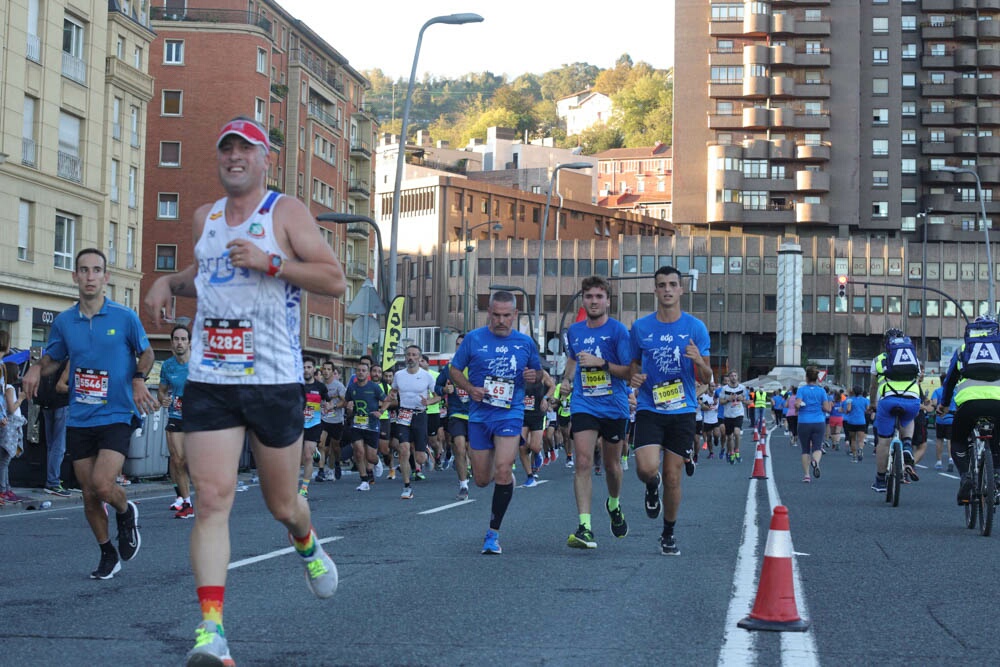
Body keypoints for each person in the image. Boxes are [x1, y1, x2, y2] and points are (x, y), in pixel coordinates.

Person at [143, 117, 345, 666]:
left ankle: (307, 544)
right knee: (211, 499)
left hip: (273, 379)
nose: (234, 157)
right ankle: (212, 633)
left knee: (283, 504)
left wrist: (271, 261)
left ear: (264, 160)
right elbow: (203, 274)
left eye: (245, 150)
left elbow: (334, 279)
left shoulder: (285, 212)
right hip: (212, 379)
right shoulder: (203, 217)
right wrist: (166, 282)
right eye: (226, 149)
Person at [22, 248, 154, 579]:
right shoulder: (66, 322)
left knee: (101, 483)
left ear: (106, 277)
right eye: (84, 270)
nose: (90, 276)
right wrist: (37, 368)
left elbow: (147, 353)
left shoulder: (124, 317)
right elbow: (55, 357)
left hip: (116, 414)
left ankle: (125, 511)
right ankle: (108, 553)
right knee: (89, 495)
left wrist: (139, 379)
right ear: (75, 276)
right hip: (81, 416)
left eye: (96, 270)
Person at [449, 290, 541, 554]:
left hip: (510, 413)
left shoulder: (525, 343)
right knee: (480, 479)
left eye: (506, 315)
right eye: (496, 315)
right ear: (488, 313)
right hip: (479, 415)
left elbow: (536, 374)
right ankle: (504, 477)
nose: (501, 320)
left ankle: (493, 533)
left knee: (502, 470)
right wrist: (470, 388)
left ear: (515, 315)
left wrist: (533, 375)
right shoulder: (474, 339)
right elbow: (454, 370)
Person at [628, 266, 711, 556]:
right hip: (651, 406)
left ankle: (668, 533)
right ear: (655, 290)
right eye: (661, 284)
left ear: (681, 290)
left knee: (673, 476)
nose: (667, 289)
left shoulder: (695, 328)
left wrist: (699, 361)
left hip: (683, 410)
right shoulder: (640, 327)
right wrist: (634, 379)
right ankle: (652, 486)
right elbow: (634, 365)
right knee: (646, 468)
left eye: (672, 284)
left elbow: (707, 378)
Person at [560, 275, 633, 549]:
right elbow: (572, 358)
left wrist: (601, 363)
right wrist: (566, 380)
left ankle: (613, 504)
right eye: (589, 296)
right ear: (583, 299)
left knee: (613, 466)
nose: (593, 301)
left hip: (613, 405)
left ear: (607, 301)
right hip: (584, 403)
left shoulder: (618, 332)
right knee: (582, 462)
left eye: (599, 297)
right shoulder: (575, 331)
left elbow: (628, 371)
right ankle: (585, 527)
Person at [937, 316, 1000, 504]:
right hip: (998, 403)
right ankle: (996, 475)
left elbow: (949, 382)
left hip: (969, 404)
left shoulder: (963, 350)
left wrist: (944, 404)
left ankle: (966, 476)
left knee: (957, 440)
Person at [868, 328, 922, 493]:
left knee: (883, 441)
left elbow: (873, 386)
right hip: (912, 398)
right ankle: (906, 445)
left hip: (887, 399)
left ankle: (880, 480)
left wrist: (872, 404)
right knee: (909, 418)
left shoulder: (879, 360)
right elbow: (918, 380)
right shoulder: (913, 359)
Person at [392, 345, 439, 498]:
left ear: (419, 358)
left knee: (419, 458)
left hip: (420, 415)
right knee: (404, 449)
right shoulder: (398, 375)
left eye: (414, 355)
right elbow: (393, 391)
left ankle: (426, 452)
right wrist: (390, 396)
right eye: (408, 355)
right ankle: (407, 487)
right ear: (405, 357)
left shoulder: (427, 376)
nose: (410, 358)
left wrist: (429, 402)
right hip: (404, 414)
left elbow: (438, 396)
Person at [159, 324, 194, 518]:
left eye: (183, 339)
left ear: (189, 342)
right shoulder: (168, 366)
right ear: (172, 342)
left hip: (197, 418)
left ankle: (187, 496)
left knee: (189, 461)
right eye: (176, 339)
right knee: (177, 459)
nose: (179, 343)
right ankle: (185, 501)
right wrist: (162, 399)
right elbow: (163, 391)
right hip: (176, 415)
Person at [436, 337, 472, 499]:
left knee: (474, 451)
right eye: (457, 344)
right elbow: (437, 387)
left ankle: (477, 469)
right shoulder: (450, 367)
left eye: (463, 344)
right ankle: (463, 485)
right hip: (456, 413)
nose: (460, 347)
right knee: (459, 447)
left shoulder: (478, 366)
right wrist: (444, 388)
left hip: (476, 414)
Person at [344, 361, 387, 491]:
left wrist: (380, 412)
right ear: (356, 373)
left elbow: (387, 400)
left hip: (372, 425)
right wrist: (349, 409)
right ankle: (364, 480)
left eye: (363, 370)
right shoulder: (352, 388)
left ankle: (377, 461)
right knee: (358, 451)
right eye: (359, 370)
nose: (361, 372)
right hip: (357, 424)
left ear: (367, 373)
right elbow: (348, 405)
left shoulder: (374, 387)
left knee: (370, 456)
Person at [35, 354, 71, 496]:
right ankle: (53, 482)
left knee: (51, 445)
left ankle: (51, 479)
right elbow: (61, 386)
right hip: (61, 403)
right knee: (59, 445)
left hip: (45, 403)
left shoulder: (49, 358)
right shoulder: (69, 358)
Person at [796, 370, 833, 483]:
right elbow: (827, 409)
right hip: (818, 421)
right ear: (816, 378)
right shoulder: (822, 391)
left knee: (805, 449)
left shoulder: (801, 390)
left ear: (806, 378)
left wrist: (800, 406)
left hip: (804, 421)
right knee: (817, 447)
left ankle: (807, 475)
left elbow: (797, 404)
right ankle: (815, 461)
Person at [317, 361, 347, 482]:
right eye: (324, 369)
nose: (326, 371)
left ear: (332, 372)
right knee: (321, 445)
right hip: (323, 419)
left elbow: (345, 401)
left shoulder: (338, 386)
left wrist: (333, 407)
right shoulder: (319, 385)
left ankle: (337, 464)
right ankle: (320, 471)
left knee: (335, 447)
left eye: (329, 369)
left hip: (336, 420)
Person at [720, 371, 747, 463]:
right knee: (730, 437)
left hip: (738, 413)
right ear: (729, 378)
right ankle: (731, 453)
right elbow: (721, 402)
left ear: (738, 377)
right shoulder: (724, 389)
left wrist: (742, 399)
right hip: (728, 415)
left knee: (736, 432)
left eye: (735, 375)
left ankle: (737, 451)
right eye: (731, 376)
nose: (733, 377)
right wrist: (728, 399)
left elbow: (747, 400)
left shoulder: (742, 388)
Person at [930, 382, 955, 471]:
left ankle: (939, 462)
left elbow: (934, 403)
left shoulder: (937, 391)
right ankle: (951, 459)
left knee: (939, 439)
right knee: (950, 439)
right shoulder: (954, 391)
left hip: (940, 418)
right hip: (951, 418)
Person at [844, 386, 869, 463]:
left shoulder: (850, 400)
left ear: (854, 392)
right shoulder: (865, 400)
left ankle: (854, 456)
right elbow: (868, 410)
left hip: (852, 421)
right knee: (861, 440)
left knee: (853, 439)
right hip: (861, 421)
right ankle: (860, 449)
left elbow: (848, 409)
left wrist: (847, 412)